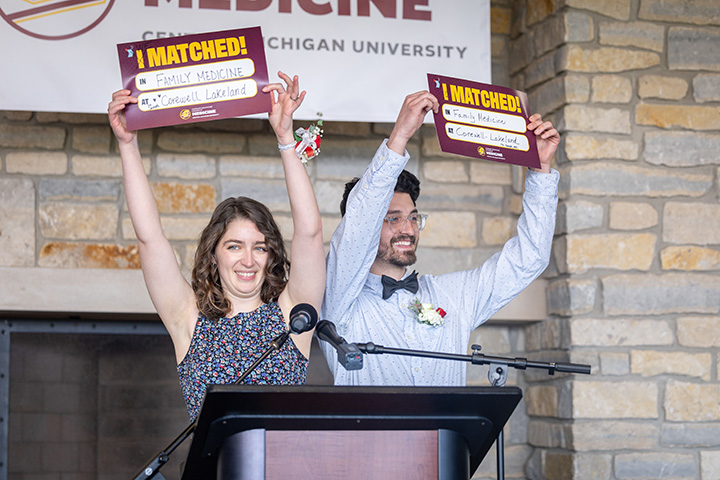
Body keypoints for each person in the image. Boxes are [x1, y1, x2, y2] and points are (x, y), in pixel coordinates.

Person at [108, 72, 325, 420]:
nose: (248, 259)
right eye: (235, 246)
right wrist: (127, 145)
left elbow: (311, 234)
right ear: (214, 255)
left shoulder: (292, 316)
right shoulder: (187, 319)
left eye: (260, 247)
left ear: (270, 256)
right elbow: (150, 239)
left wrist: (286, 139)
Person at [321, 90, 560, 386]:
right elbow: (359, 225)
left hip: (448, 433)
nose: (408, 229)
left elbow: (528, 260)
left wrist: (541, 172)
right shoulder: (338, 297)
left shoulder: (450, 296)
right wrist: (399, 137)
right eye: (393, 219)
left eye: (413, 218)